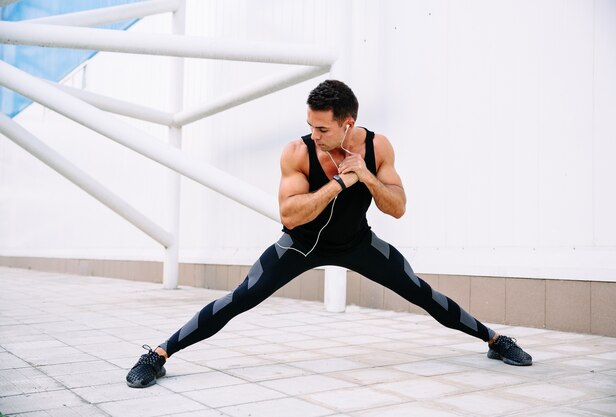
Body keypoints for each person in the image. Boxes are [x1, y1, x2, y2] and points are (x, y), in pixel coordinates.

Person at [126, 80, 532, 388]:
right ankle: (159, 354)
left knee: (419, 291)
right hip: (299, 246)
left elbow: (398, 207)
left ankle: (495, 340)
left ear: (347, 124)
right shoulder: (297, 152)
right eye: (311, 126)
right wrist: (339, 184)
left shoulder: (378, 147)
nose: (314, 135)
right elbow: (289, 212)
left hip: (358, 243)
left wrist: (366, 177)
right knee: (239, 299)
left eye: (322, 128)